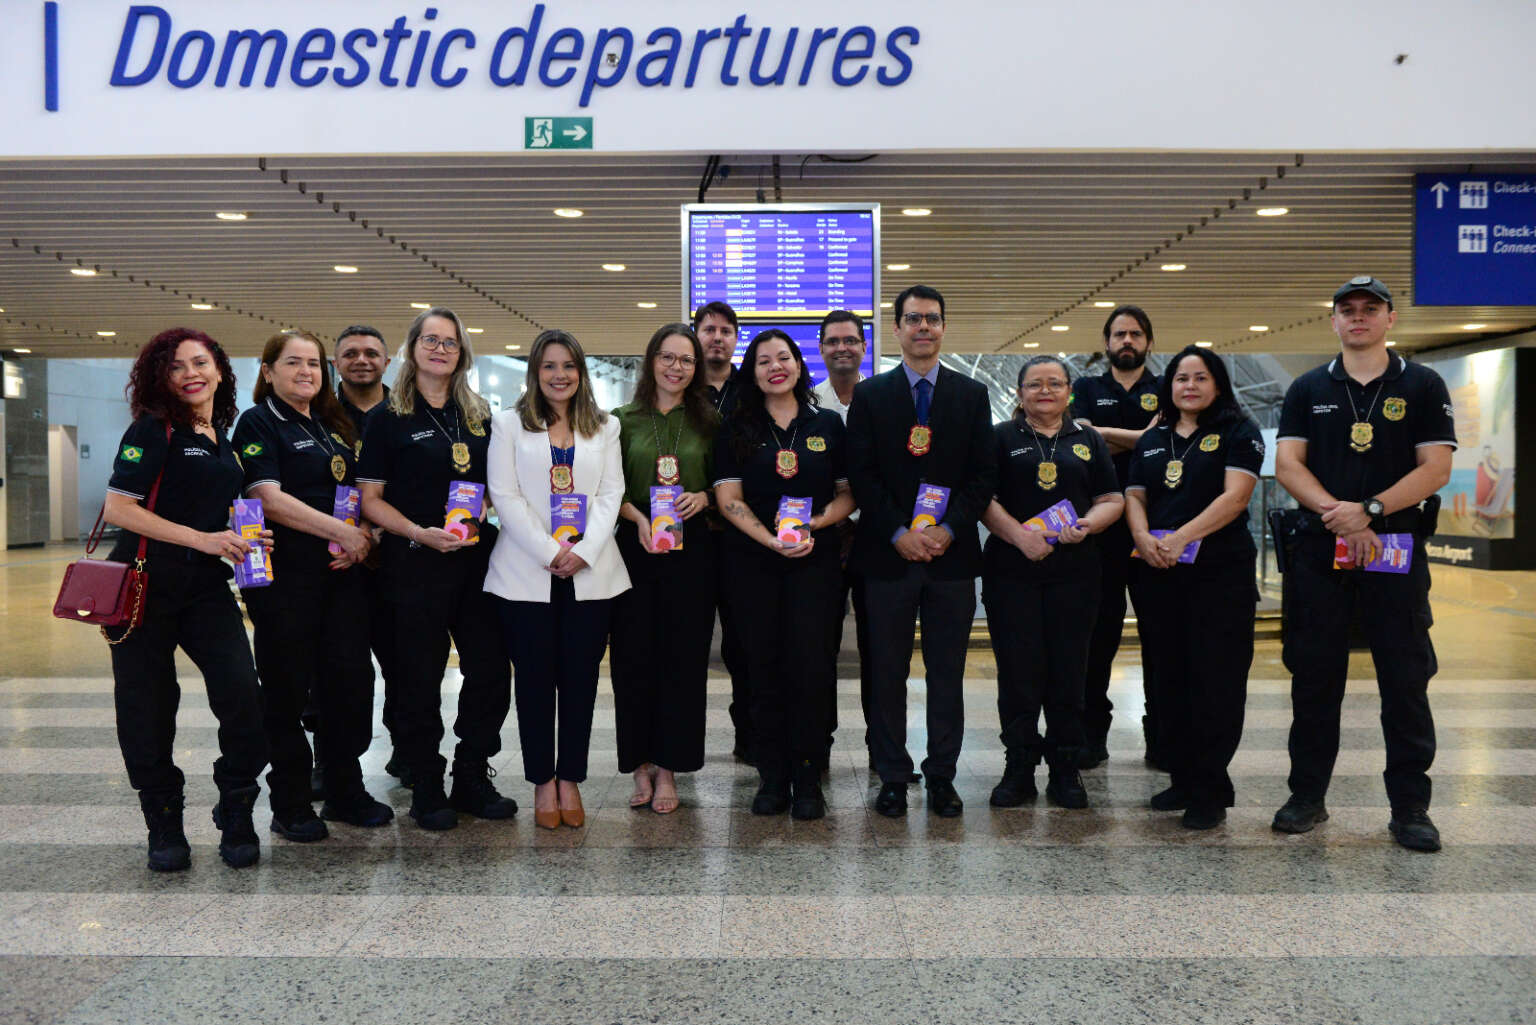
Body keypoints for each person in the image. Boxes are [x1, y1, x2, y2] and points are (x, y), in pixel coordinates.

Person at [1272, 276, 1456, 852]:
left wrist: (1372, 511)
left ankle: (1410, 808)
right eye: (1347, 310)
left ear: (1389, 319)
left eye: (1369, 309)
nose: (1358, 318)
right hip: (1323, 551)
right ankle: (1307, 796)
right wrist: (1341, 515)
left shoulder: (1422, 384)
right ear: (1333, 321)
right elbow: (1287, 463)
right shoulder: (1307, 386)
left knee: (1405, 680)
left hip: (1396, 551)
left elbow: (1435, 468)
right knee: (1315, 676)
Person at [101, 328, 270, 871]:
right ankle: (164, 822)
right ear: (161, 377)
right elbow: (118, 509)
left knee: (243, 694)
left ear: (220, 370)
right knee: (148, 707)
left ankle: (237, 804)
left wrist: (237, 533)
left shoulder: (220, 432)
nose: (191, 373)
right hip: (144, 582)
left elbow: (198, 504)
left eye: (201, 363)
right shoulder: (153, 429)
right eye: (177, 367)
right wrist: (204, 538)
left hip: (204, 586)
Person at [357, 306, 516, 831]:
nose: (440, 349)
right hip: (413, 560)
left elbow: (498, 484)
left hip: (475, 561)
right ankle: (427, 782)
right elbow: (371, 500)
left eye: (450, 342)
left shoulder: (480, 415)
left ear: (462, 352)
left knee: (491, 669)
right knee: (417, 679)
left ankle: (472, 773)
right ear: (412, 348)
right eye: (431, 340)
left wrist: (491, 505)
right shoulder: (386, 416)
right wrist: (417, 532)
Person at [232, 330, 394, 841]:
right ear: (267, 371)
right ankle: (292, 802)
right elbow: (269, 499)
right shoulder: (259, 422)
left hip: (341, 578)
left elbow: (355, 495)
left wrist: (364, 534)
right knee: (285, 691)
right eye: (293, 363)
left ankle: (346, 788)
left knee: (348, 684)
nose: (306, 372)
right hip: (286, 583)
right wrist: (342, 532)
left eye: (313, 365)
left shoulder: (331, 423)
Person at [846, 284, 996, 818]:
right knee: (885, 671)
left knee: (946, 672)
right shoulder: (870, 396)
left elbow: (983, 477)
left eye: (932, 319)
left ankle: (942, 776)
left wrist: (950, 530)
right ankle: (891, 774)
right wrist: (898, 532)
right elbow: (862, 476)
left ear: (943, 327)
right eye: (913, 319)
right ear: (898, 329)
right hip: (887, 557)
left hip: (951, 560)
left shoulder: (971, 395)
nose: (923, 328)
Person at [485, 329, 629, 830]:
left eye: (568, 366)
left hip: (591, 576)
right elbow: (504, 495)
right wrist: (550, 550)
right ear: (535, 371)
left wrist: (584, 552)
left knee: (580, 681)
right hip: (526, 573)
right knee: (534, 680)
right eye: (549, 366)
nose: (560, 375)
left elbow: (613, 493)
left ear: (581, 372)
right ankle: (542, 783)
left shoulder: (604, 426)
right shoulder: (506, 425)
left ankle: (571, 779)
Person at [714, 329, 855, 819]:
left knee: (812, 668)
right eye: (762, 361)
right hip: (753, 565)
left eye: (784, 357)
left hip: (815, 565)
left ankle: (808, 773)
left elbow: (847, 494)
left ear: (798, 364)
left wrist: (816, 523)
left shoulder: (828, 426)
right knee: (763, 668)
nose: (775, 366)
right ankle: (771, 775)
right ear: (751, 373)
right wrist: (771, 539)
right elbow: (728, 500)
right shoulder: (735, 427)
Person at [1125, 346, 1265, 829]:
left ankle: (1211, 787)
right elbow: (1135, 493)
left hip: (1219, 574)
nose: (1189, 385)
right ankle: (1183, 777)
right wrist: (1142, 537)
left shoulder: (1238, 431)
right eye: (1181, 377)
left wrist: (1181, 536)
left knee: (1216, 680)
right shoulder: (1155, 436)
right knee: (1169, 680)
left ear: (1218, 384)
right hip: (1159, 574)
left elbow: (1235, 497)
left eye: (1200, 377)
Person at [981, 356, 1123, 809]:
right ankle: (1019, 767)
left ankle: (1066, 768)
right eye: (1035, 384)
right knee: (1019, 674)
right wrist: (1020, 538)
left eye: (1055, 383)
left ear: (1069, 392)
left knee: (1069, 672)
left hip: (1075, 574)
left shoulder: (1089, 440)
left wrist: (1089, 523)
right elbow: (982, 498)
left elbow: (1111, 498)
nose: (1045, 391)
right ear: (1019, 393)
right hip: (1012, 573)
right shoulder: (1000, 437)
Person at [609, 324, 719, 813]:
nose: (676, 367)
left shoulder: (710, 421)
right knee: (633, 660)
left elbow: (731, 485)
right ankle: (640, 766)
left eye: (687, 360)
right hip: (634, 551)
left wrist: (705, 495)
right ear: (651, 359)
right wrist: (636, 518)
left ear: (697, 369)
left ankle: (670, 767)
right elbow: (606, 491)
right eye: (668, 357)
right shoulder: (620, 421)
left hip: (691, 555)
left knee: (682, 662)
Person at [1069, 304, 1162, 769]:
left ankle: (1162, 735)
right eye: (1119, 334)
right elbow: (1084, 442)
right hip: (1102, 529)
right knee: (1098, 635)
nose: (1127, 341)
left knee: (1161, 635)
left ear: (1148, 341)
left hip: (1156, 528)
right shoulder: (1085, 388)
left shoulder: (1165, 387)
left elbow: (1163, 441)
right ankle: (1091, 735)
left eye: (1136, 334)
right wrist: (1139, 437)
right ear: (1106, 342)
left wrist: (1107, 433)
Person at [331, 324, 407, 784]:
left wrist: (377, 531)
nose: (362, 360)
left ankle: (406, 747)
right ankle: (333, 758)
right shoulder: (318, 415)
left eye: (372, 353)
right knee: (340, 666)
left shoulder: (406, 413)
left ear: (387, 362)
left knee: (406, 661)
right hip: (337, 563)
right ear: (336, 362)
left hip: (397, 558)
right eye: (351, 353)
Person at [811, 311, 873, 767]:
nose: (842, 348)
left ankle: (883, 750)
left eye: (850, 340)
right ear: (821, 348)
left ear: (864, 348)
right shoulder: (807, 403)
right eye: (833, 341)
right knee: (819, 649)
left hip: (876, 539)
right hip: (825, 540)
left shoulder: (883, 400)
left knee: (880, 651)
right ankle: (819, 746)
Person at [694, 300, 753, 763]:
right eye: (708, 329)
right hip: (687, 537)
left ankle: (749, 735)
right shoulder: (680, 389)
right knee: (690, 645)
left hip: (740, 540)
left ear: (736, 339)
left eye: (725, 330)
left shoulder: (750, 392)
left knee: (743, 643)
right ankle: (684, 742)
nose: (717, 337)